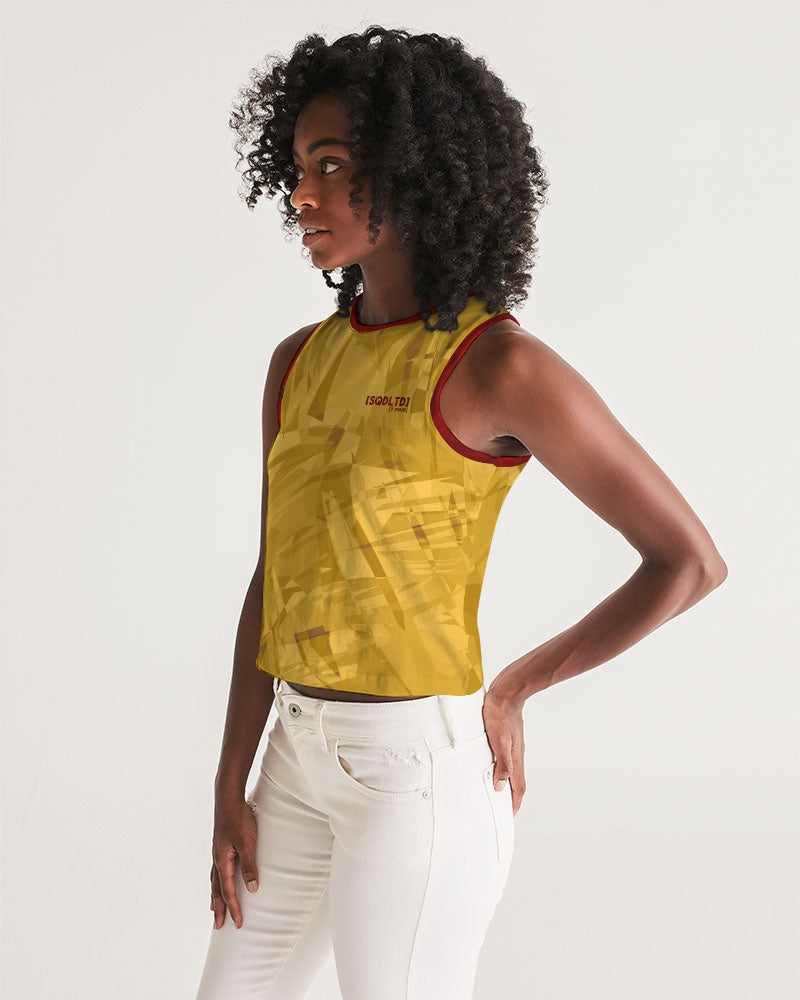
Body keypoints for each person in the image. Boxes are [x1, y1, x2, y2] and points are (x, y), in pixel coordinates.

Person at [195, 25, 727, 1000]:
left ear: (410, 173)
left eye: (331, 166)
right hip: (291, 765)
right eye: (298, 167)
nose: (301, 194)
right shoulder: (297, 362)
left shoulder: (497, 366)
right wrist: (231, 778)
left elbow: (686, 560)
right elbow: (275, 572)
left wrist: (517, 687)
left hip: (416, 779)